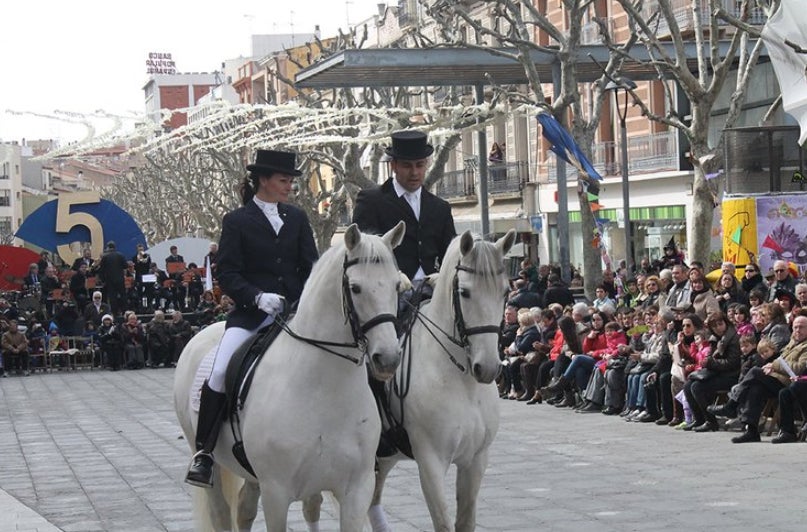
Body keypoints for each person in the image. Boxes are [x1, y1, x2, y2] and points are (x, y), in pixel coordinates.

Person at [185, 148, 318, 488]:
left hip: (294, 313)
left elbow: (311, 267)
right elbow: (228, 271)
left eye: (290, 181)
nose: (289, 186)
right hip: (251, 315)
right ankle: (204, 452)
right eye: (283, 180)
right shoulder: (237, 221)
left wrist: (302, 300)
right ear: (264, 180)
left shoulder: (297, 218)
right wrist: (257, 297)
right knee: (218, 370)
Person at [353, 130, 456, 318]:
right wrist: (394, 274)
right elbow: (362, 252)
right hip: (388, 296)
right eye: (407, 166)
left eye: (419, 165)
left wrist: (444, 276)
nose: (415, 172)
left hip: (432, 294)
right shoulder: (371, 201)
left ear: (426, 165)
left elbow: (450, 253)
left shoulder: (440, 207)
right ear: (394, 166)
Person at [96, 241, 128, 316]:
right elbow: (125, 266)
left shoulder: (105, 257)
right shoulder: (120, 255)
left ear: (108, 247)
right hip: (120, 279)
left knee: (112, 297)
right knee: (123, 296)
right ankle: (125, 311)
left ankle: (115, 313)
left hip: (110, 280)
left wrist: (103, 280)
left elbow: (102, 270)